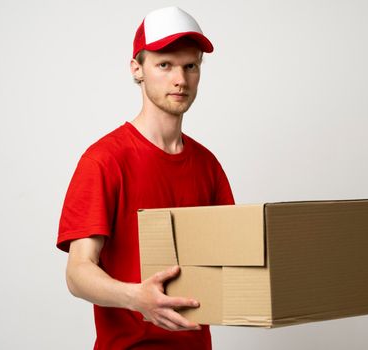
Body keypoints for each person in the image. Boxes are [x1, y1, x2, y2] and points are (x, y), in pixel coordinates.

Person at [56, 6, 235, 350]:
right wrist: (136, 297)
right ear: (137, 69)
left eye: (190, 66)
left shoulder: (208, 165)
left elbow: (231, 262)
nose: (180, 79)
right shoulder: (104, 160)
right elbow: (78, 272)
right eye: (164, 65)